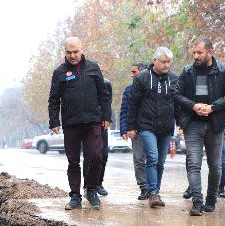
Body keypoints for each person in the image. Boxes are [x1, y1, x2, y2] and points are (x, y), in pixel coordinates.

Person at [48, 37, 111, 210]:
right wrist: (54, 120)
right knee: (73, 161)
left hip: (93, 121)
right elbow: (54, 99)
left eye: (75, 51)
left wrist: (106, 116)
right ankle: (75, 196)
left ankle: (91, 190)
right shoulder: (59, 72)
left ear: (81, 50)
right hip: (71, 123)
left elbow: (103, 94)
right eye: (69, 52)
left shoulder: (93, 68)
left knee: (96, 156)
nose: (72, 55)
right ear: (65, 52)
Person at [175, 38, 225, 216]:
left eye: (199, 52)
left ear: (210, 52)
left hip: (215, 123)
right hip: (192, 123)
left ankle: (211, 200)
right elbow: (177, 94)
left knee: (215, 165)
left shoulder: (224, 70)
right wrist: (193, 106)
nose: (196, 56)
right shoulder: (187, 71)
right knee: (194, 164)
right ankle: (197, 202)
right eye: (194, 52)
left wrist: (212, 107)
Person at [127, 47, 178, 208]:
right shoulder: (142, 78)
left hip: (166, 127)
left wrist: (181, 123)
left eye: (168, 62)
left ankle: (155, 191)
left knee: (160, 163)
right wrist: (131, 127)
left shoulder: (174, 78)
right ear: (154, 60)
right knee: (152, 158)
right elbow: (133, 103)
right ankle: (153, 193)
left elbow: (177, 103)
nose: (166, 65)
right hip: (146, 126)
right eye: (163, 62)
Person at [119, 62, 149, 199]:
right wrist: (124, 129)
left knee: (153, 160)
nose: (132, 75)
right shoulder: (128, 89)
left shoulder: (152, 88)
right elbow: (124, 110)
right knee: (138, 159)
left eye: (134, 72)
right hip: (135, 131)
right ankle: (143, 187)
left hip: (152, 130)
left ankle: (153, 187)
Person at [83, 68, 113, 196]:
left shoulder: (106, 83)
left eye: (102, 70)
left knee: (103, 155)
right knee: (89, 156)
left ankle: (98, 183)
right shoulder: (84, 82)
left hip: (101, 124)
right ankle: (87, 186)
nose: (100, 72)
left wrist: (106, 118)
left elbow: (108, 102)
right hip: (87, 123)